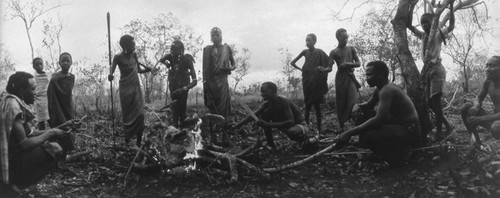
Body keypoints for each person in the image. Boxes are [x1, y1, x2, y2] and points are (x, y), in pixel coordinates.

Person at [0, 72, 75, 196]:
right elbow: (23, 144)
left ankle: (15, 185)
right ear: (22, 91)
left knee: (50, 144)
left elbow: (31, 132)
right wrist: (51, 132)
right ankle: (16, 186)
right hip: (10, 163)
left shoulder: (11, 100)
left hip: (10, 159)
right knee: (55, 148)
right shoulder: (13, 105)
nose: (36, 93)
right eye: (33, 89)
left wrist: (61, 127)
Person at [335, 61, 421, 166]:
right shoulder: (379, 89)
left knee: (369, 135)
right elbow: (369, 105)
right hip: (398, 124)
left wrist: (349, 133)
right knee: (364, 115)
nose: (367, 78)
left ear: (380, 74)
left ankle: (397, 155)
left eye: (369, 75)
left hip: (410, 130)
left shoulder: (387, 90)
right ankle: (383, 150)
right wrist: (356, 106)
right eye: (366, 75)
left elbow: (379, 119)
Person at [408, 0, 455, 140]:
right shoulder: (422, 35)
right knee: (429, 103)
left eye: (426, 23)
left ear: (432, 23)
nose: (423, 25)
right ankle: (447, 125)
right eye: (422, 23)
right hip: (427, 70)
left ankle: (440, 131)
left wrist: (451, 6)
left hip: (437, 70)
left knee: (435, 101)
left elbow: (451, 26)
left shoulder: (437, 34)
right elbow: (409, 25)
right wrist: (411, 7)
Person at [234, 82, 310, 150]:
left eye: (264, 91)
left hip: (300, 126)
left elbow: (291, 121)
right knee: (264, 115)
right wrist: (235, 127)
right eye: (261, 92)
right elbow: (252, 116)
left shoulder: (284, 101)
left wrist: (267, 124)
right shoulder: (267, 104)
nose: (262, 94)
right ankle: (271, 144)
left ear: (273, 91)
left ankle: (305, 139)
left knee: (292, 131)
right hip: (286, 127)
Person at [109, 35, 152, 147]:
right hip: (125, 87)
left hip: (135, 86)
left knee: (140, 114)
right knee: (127, 114)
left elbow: (138, 70)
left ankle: (138, 140)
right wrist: (110, 75)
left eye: (134, 44)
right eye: (132, 44)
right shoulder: (118, 57)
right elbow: (111, 71)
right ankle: (127, 140)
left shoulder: (134, 55)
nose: (134, 46)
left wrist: (146, 70)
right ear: (125, 46)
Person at [290, 33, 331, 133]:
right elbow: (292, 62)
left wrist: (324, 69)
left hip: (316, 82)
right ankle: (306, 128)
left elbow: (330, 61)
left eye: (309, 40)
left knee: (317, 106)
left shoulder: (320, 52)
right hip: (307, 81)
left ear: (314, 41)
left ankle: (319, 129)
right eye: (306, 40)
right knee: (307, 106)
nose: (307, 42)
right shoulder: (305, 52)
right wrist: (302, 69)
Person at [202, 27, 235, 144]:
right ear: (211, 37)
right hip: (211, 82)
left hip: (223, 82)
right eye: (213, 35)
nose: (215, 37)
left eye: (217, 35)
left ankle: (225, 137)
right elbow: (205, 69)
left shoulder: (227, 48)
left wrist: (228, 68)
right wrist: (206, 83)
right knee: (212, 108)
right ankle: (214, 138)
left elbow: (234, 64)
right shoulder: (207, 50)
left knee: (224, 109)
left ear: (221, 36)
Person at [461, 56, 500, 145]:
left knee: (496, 127)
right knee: (466, 108)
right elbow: (478, 97)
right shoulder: (488, 81)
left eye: (492, 66)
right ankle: (476, 143)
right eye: (487, 66)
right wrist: (476, 105)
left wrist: (481, 118)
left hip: (496, 123)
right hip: (494, 118)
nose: (488, 69)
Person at [159, 39, 198, 128]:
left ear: (181, 50)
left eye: (175, 50)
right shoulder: (170, 57)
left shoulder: (187, 59)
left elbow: (195, 81)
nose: (173, 52)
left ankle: (182, 126)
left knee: (182, 106)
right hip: (173, 85)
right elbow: (161, 60)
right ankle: (175, 126)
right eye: (171, 50)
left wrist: (184, 88)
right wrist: (167, 64)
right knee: (174, 105)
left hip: (184, 86)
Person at [329, 28, 361, 130]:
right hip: (340, 78)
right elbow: (329, 67)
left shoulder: (351, 49)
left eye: (347, 38)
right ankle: (342, 126)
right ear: (338, 38)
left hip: (351, 77)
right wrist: (323, 69)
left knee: (353, 100)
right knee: (341, 102)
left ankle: (355, 126)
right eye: (344, 38)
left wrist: (348, 63)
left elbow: (358, 63)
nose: (346, 40)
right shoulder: (333, 52)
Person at [47, 52, 75, 128]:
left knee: (70, 126)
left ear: (71, 63)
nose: (65, 63)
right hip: (58, 106)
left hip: (68, 106)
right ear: (59, 63)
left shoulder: (71, 77)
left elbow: (69, 94)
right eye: (63, 61)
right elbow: (51, 95)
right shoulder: (55, 78)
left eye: (68, 61)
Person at [32, 57, 50, 130]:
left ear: (43, 65)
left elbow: (49, 85)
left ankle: (54, 135)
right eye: (37, 65)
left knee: (50, 119)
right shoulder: (34, 77)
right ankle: (42, 137)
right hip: (38, 100)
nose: (39, 66)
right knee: (41, 120)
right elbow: (33, 88)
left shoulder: (47, 75)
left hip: (47, 99)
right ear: (34, 67)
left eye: (41, 64)